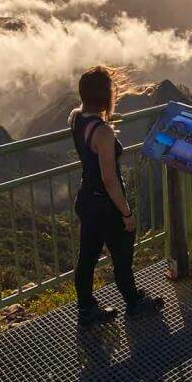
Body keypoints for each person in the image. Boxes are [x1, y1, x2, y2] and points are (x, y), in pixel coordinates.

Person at [70, 65, 164, 326]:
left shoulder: (76, 117)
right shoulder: (103, 132)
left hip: (86, 199)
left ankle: (86, 308)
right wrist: (127, 213)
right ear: (105, 96)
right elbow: (110, 180)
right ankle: (134, 302)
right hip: (105, 205)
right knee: (122, 254)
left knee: (87, 256)